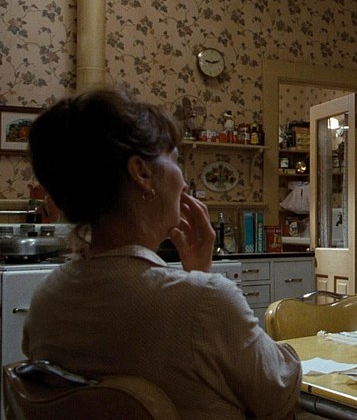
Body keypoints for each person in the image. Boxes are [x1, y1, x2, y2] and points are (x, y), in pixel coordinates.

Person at [23, 87, 301, 420]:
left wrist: (197, 274)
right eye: (175, 159)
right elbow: (279, 396)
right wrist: (204, 280)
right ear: (142, 173)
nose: (183, 182)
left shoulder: (46, 301)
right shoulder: (205, 302)